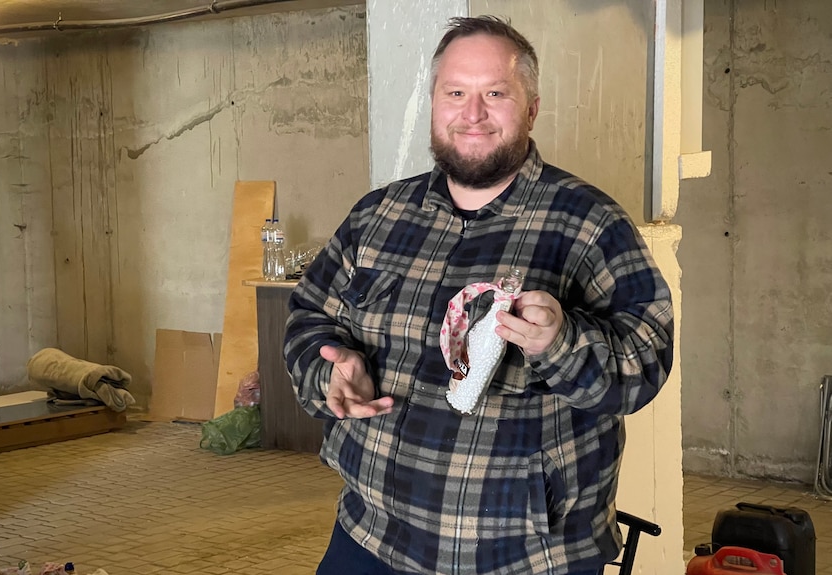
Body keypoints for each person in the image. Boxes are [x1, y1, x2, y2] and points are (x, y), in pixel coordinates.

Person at [283, 15, 674, 575]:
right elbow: (309, 315)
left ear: (532, 108)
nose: (472, 113)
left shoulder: (590, 224)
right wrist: (332, 373)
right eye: (456, 93)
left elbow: (647, 362)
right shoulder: (378, 216)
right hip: (372, 534)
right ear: (436, 104)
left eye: (496, 93)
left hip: (526, 551)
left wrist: (562, 343)